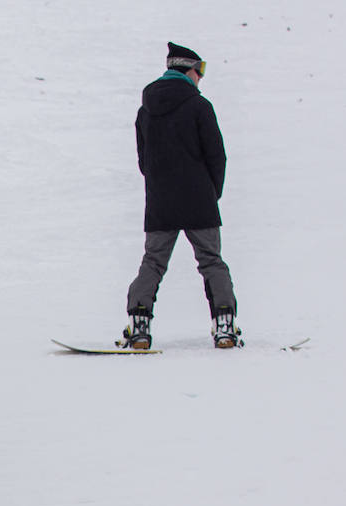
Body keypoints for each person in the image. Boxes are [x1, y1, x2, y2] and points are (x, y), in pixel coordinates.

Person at [122, 42, 240, 350]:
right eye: (199, 71)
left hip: (161, 200)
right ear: (188, 70)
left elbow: (143, 159)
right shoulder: (200, 106)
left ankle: (139, 326)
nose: (201, 78)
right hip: (199, 197)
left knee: (153, 261)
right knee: (211, 261)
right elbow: (217, 156)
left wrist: (161, 187)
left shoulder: (145, 109)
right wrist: (211, 192)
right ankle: (225, 325)